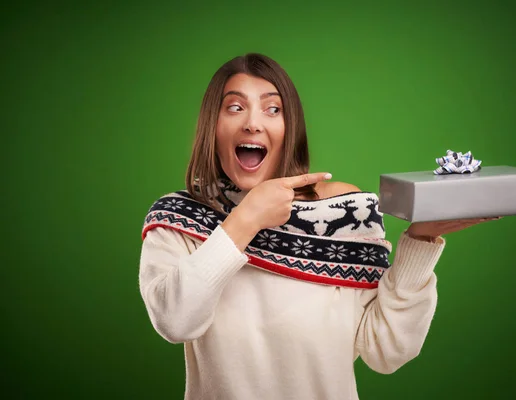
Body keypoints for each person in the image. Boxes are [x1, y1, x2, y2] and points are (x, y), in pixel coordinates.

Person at [138, 53, 496, 400]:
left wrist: (421, 238)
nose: (252, 122)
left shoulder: (346, 214)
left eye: (272, 109)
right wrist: (246, 219)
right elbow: (175, 321)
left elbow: (385, 350)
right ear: (211, 127)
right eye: (234, 107)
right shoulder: (179, 220)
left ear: (290, 127)